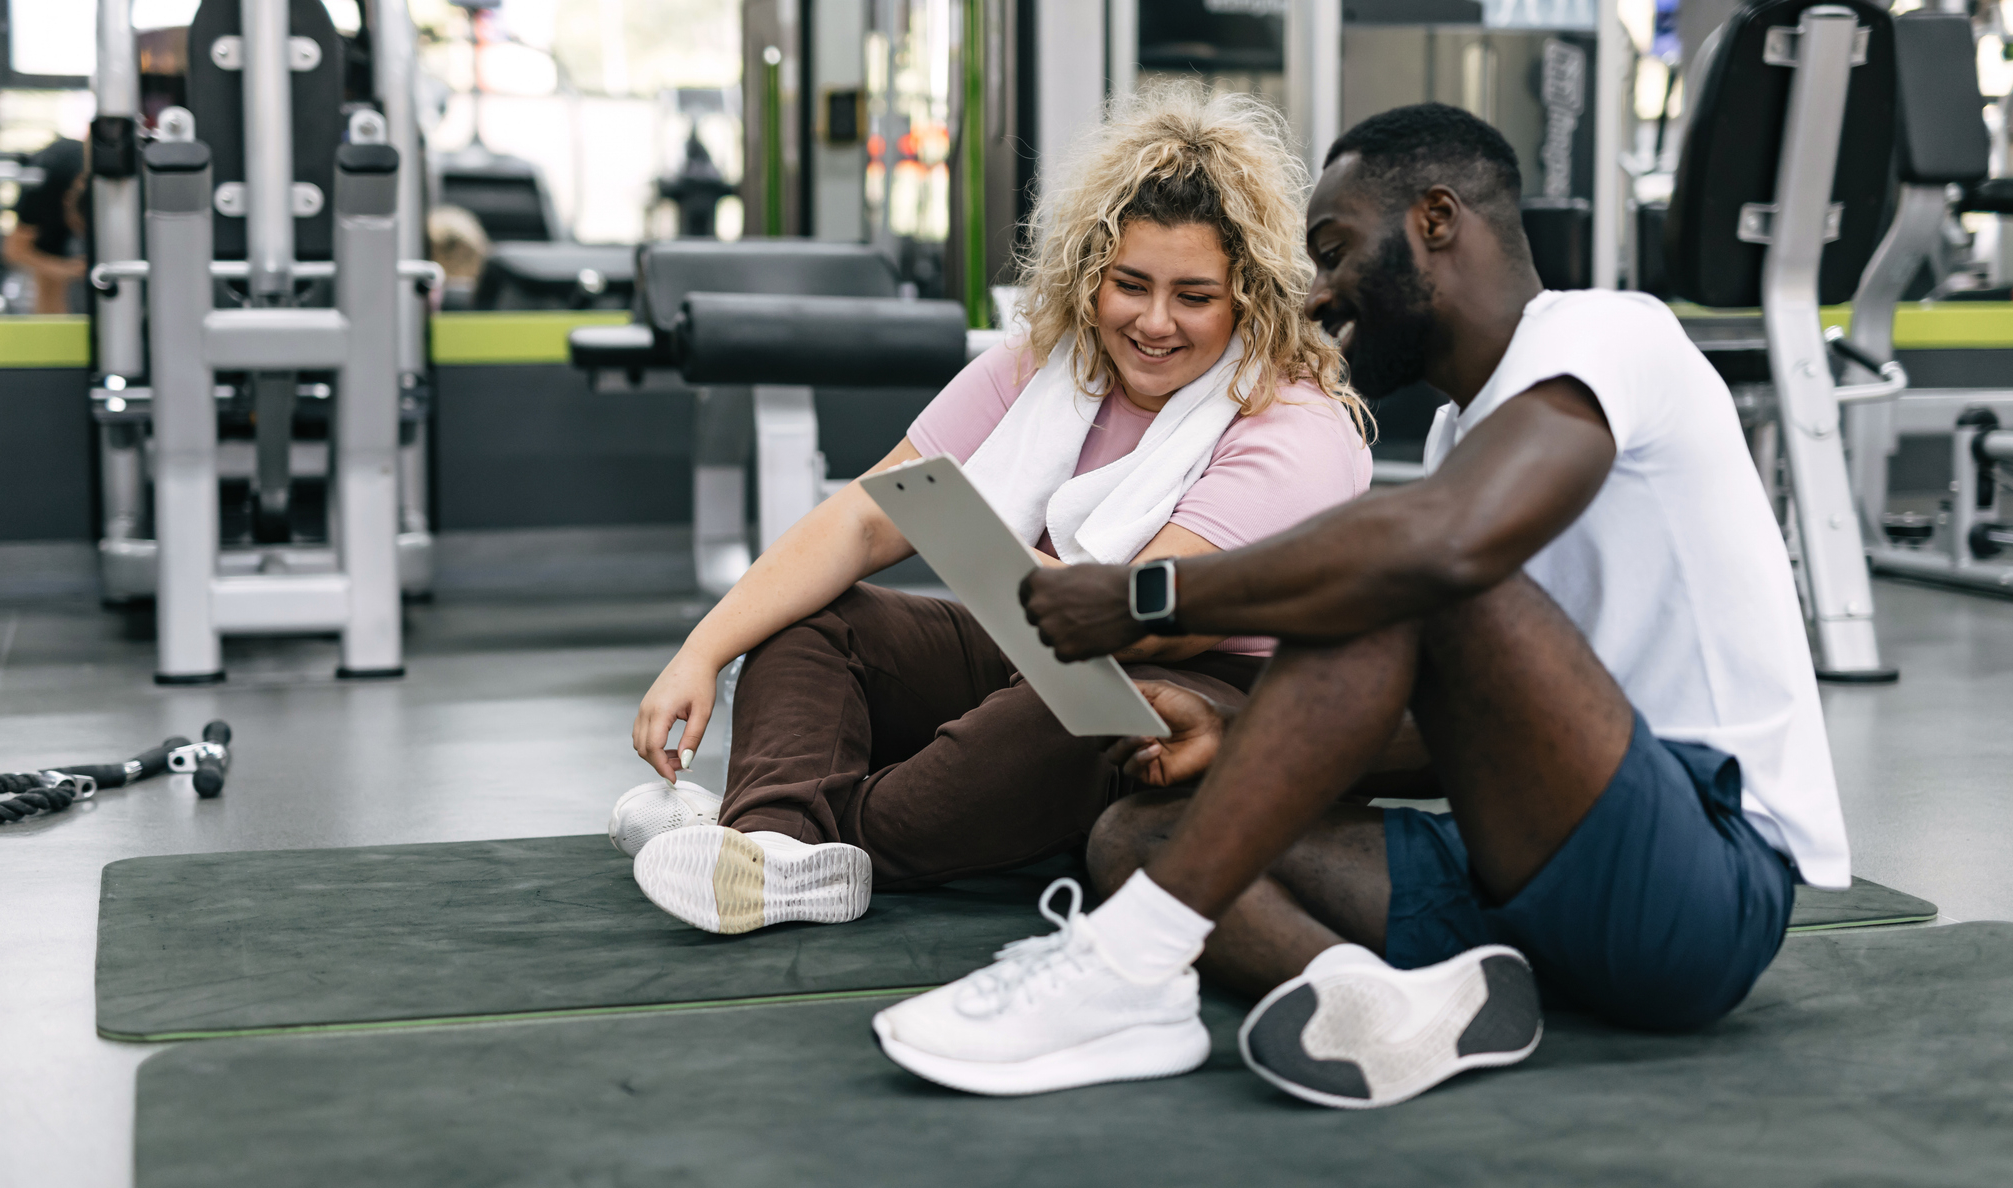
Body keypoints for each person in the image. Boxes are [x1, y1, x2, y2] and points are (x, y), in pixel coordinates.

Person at [869, 103, 1841, 1108]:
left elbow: (1435, 555)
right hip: (1538, 871)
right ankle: (1386, 1007)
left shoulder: (1608, 335)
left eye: (1334, 250)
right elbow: (1466, 729)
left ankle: (1120, 969)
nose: (1319, 289)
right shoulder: (1468, 441)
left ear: (1435, 219)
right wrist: (1236, 728)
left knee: (1404, 575)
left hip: (1705, 884)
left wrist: (1143, 597)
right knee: (1140, 835)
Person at [621, 84, 1374, 936]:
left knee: (1069, 706)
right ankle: (771, 845)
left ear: (1251, 295)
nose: (1155, 322)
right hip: (1046, 641)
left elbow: (1151, 617)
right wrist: (702, 652)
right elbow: (865, 518)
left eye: (1194, 297)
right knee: (813, 619)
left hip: (1185, 683)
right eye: (1130, 284)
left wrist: (994, 565)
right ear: (1092, 272)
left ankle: (779, 838)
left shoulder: (1293, 420)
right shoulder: (1045, 365)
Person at [2, 138, 90, 315]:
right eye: (76, 226)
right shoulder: (41, 189)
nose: (78, 232)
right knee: (50, 277)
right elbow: (13, 252)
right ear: (65, 201)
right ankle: (54, 337)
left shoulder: (107, 187)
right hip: (51, 180)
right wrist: (66, 269)